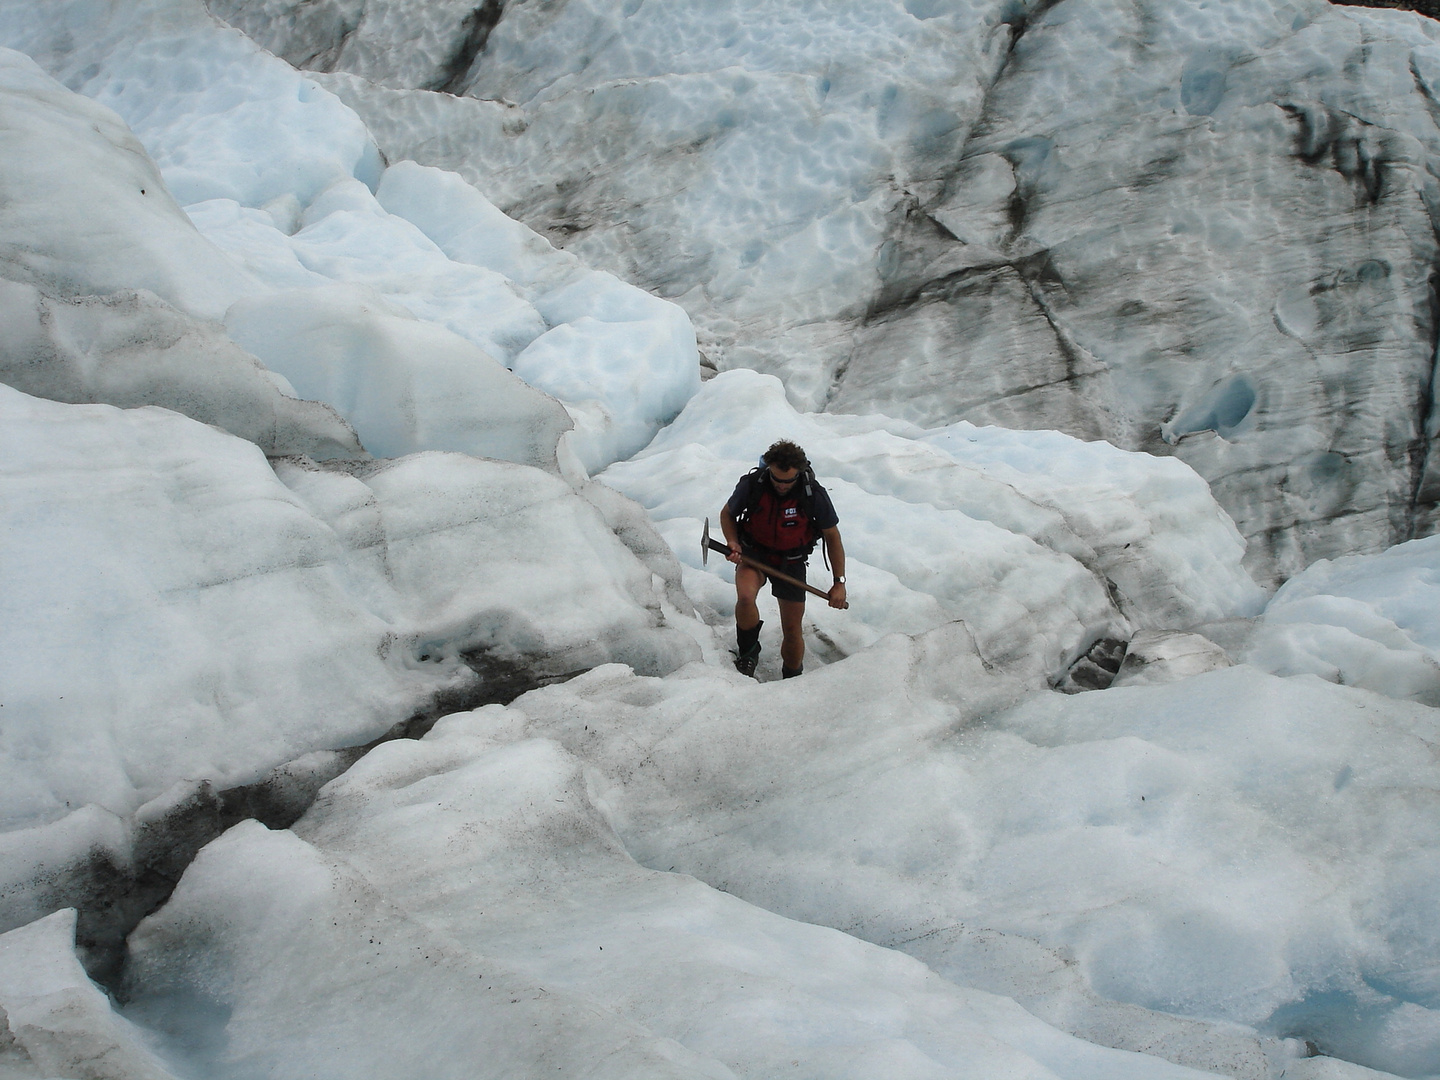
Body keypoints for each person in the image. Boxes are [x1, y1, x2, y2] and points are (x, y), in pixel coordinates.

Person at [720, 439, 846, 679]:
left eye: (788, 481)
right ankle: (748, 654)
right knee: (745, 597)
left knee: (792, 629)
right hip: (754, 554)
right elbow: (727, 514)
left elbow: (832, 536)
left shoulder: (813, 494)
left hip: (792, 562)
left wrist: (839, 581)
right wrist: (733, 542)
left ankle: (792, 676)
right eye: (776, 479)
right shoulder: (752, 485)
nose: (781, 485)